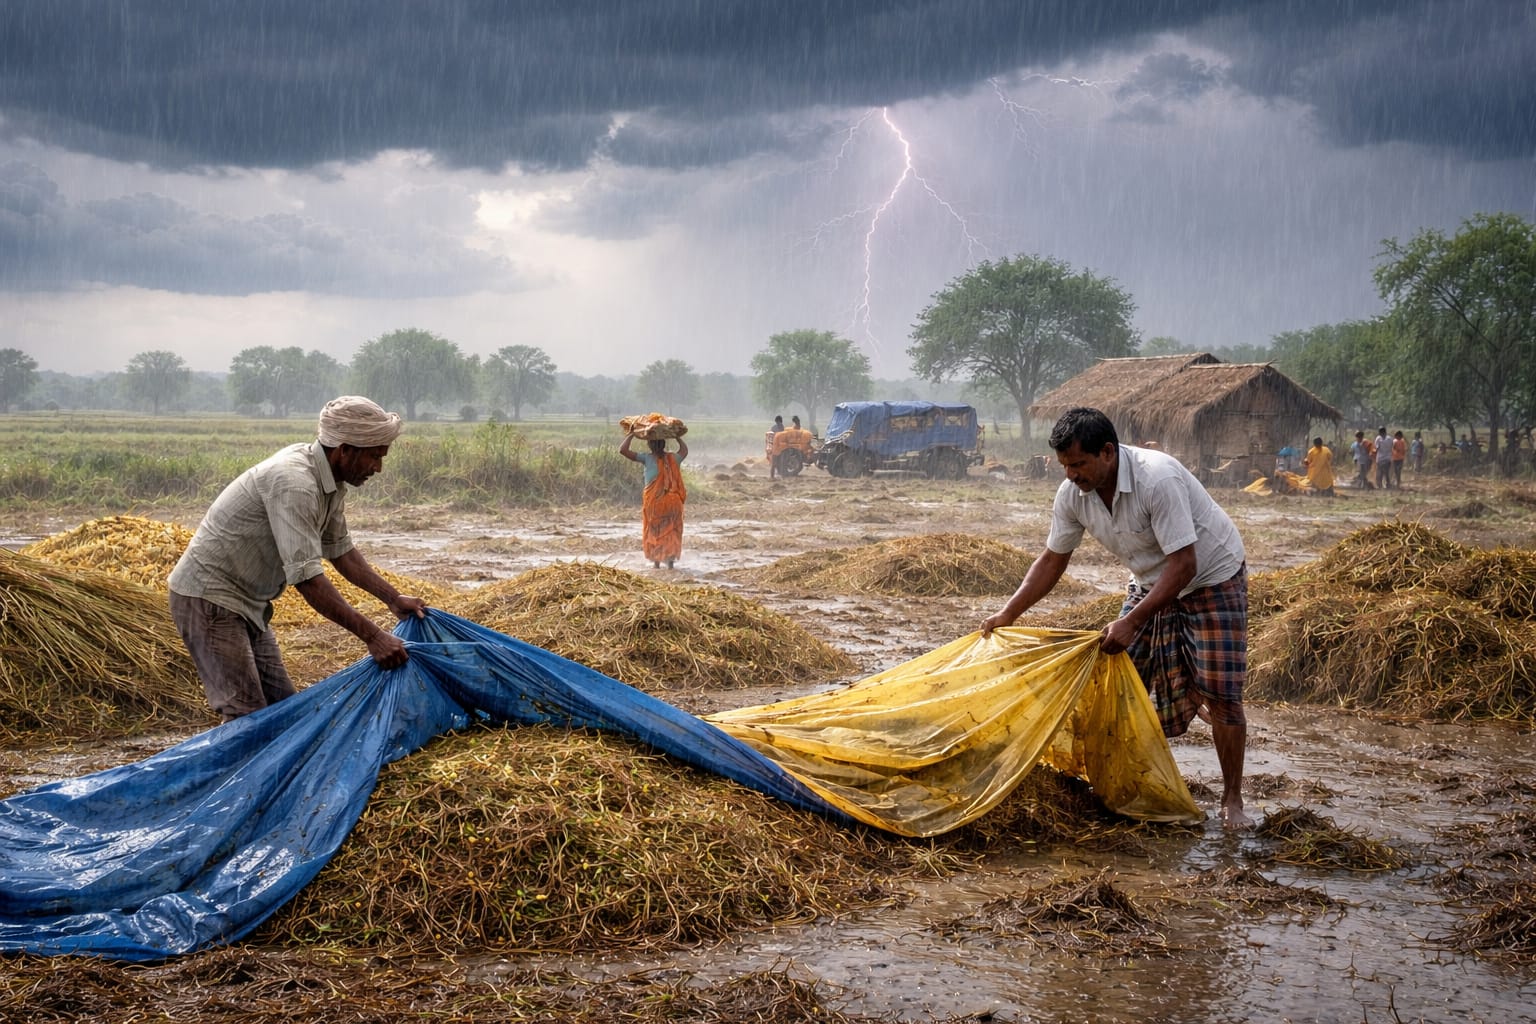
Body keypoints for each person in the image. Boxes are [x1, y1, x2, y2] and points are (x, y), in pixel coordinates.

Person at [980, 407, 1251, 827]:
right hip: (1149, 581)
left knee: (1222, 693)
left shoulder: (1156, 479)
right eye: (1065, 465)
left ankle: (1232, 800)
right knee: (1116, 678)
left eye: (1078, 464)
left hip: (1211, 579)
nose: (1070, 474)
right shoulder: (1072, 494)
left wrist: (1132, 621)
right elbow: (1053, 559)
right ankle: (1119, 782)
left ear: (1107, 452)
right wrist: (1008, 612)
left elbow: (1184, 564)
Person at [168, 396, 428, 723]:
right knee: (246, 715)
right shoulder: (295, 483)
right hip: (209, 599)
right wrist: (373, 637)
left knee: (284, 710)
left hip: (249, 603)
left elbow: (341, 551)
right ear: (344, 450)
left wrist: (392, 598)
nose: (378, 468)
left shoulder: (329, 481)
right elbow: (307, 579)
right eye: (374, 456)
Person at [620, 430, 689, 568]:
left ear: (649, 445)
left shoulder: (647, 458)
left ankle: (656, 564)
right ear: (664, 444)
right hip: (673, 503)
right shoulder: (673, 458)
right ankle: (670, 565)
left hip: (655, 504)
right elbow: (684, 451)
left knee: (654, 530)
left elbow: (623, 450)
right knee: (672, 530)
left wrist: (632, 434)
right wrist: (677, 437)